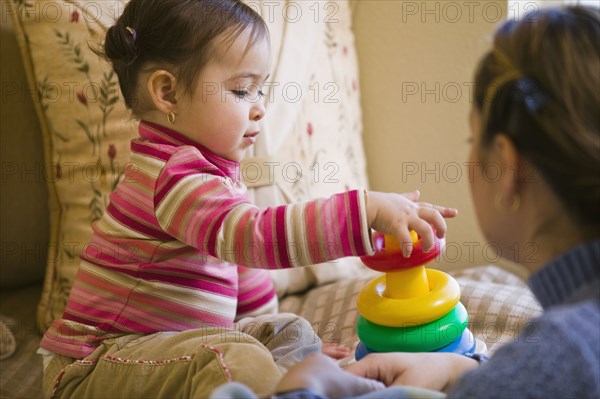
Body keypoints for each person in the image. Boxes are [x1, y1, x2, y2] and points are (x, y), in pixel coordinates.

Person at [38, 1, 458, 397]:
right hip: (95, 366)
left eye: (261, 92)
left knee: (287, 329)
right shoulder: (173, 174)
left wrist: (279, 343)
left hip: (173, 349)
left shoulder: (211, 174)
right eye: (242, 91)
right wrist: (362, 211)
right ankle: (289, 387)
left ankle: (294, 377)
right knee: (229, 357)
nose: (259, 109)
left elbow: (239, 267)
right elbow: (251, 238)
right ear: (167, 93)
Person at [213, 5, 600, 399]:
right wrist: (459, 367)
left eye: (472, 141)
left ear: (506, 167)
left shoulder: (562, 355)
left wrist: (304, 388)